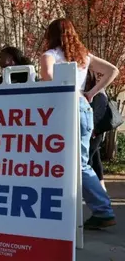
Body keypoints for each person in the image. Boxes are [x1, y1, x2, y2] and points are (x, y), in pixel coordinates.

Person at [40, 18, 118, 229]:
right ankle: (92, 209)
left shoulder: (50, 55)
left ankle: (103, 210)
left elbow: (47, 77)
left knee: (74, 163)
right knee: (77, 162)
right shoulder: (83, 57)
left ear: (51, 35)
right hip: (84, 108)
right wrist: (90, 93)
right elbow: (113, 70)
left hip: (64, 109)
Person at [85, 70, 108, 191]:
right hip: (94, 133)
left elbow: (97, 114)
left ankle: (94, 191)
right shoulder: (95, 92)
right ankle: (101, 189)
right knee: (95, 158)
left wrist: (91, 130)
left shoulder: (97, 93)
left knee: (86, 163)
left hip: (93, 133)